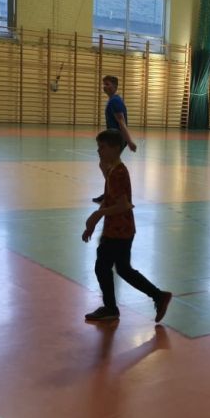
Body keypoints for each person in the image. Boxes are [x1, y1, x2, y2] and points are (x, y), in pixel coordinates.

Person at [82, 130, 171, 325]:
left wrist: (97, 214)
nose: (98, 151)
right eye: (98, 147)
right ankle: (159, 296)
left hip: (118, 231)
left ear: (115, 149)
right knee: (123, 269)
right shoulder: (113, 170)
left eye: (102, 147)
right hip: (120, 229)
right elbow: (110, 197)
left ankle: (111, 308)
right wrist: (94, 223)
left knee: (102, 266)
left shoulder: (119, 173)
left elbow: (123, 205)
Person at [93, 75, 137, 204]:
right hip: (113, 137)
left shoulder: (115, 101)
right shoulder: (113, 100)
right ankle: (111, 191)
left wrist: (129, 141)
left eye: (108, 84)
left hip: (117, 139)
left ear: (115, 86)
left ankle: (114, 193)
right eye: (104, 84)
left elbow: (121, 122)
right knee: (107, 165)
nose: (105, 86)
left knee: (107, 165)